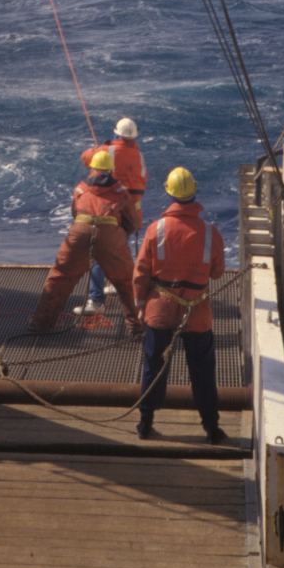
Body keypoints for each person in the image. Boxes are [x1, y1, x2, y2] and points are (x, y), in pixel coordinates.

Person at [133, 166, 227, 443]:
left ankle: (145, 423)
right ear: (194, 192)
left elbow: (141, 273)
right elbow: (217, 272)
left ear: (169, 193)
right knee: (203, 371)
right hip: (196, 312)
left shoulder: (156, 229)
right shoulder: (211, 233)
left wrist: (140, 305)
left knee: (154, 367)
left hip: (160, 310)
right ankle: (211, 428)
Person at [29, 150, 140, 333]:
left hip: (80, 231)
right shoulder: (120, 190)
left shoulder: (80, 188)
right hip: (110, 233)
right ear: (111, 170)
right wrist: (116, 236)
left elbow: (75, 214)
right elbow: (132, 223)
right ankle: (137, 327)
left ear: (92, 168)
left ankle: (41, 324)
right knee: (126, 281)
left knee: (60, 277)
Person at [75, 116, 147, 314]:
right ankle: (117, 284)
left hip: (110, 213)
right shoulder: (139, 157)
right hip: (132, 215)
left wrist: (97, 150)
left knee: (99, 253)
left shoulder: (106, 151)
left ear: (116, 133)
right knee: (120, 249)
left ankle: (96, 300)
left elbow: (86, 159)